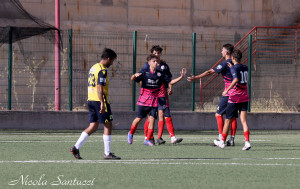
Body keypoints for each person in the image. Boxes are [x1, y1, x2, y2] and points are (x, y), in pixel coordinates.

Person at [70, 48, 121, 160]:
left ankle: (76, 147)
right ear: (108, 59)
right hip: (99, 100)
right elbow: (99, 86)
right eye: (112, 61)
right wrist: (102, 103)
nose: (112, 63)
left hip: (91, 100)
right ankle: (107, 153)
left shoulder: (93, 67)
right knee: (108, 125)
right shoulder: (102, 70)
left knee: (93, 126)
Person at [187, 44, 238, 146]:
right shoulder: (236, 63)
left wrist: (196, 77)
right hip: (237, 92)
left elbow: (209, 72)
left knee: (218, 114)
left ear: (226, 52)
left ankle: (221, 138)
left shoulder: (225, 63)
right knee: (232, 117)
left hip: (228, 93)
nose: (221, 52)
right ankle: (231, 139)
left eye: (222, 50)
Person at [128, 54, 177, 146]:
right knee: (139, 118)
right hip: (144, 101)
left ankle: (148, 139)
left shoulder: (160, 73)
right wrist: (134, 75)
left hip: (154, 101)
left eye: (157, 61)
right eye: (154, 61)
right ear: (149, 62)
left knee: (152, 120)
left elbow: (170, 82)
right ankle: (130, 133)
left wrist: (181, 77)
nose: (156, 63)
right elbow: (133, 79)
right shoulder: (144, 72)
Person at [141, 45, 185, 145]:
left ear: (160, 54)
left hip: (162, 94)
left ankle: (161, 137)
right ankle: (148, 137)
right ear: (152, 54)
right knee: (150, 117)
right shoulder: (147, 65)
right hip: (150, 96)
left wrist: (170, 87)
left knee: (163, 114)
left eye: (158, 53)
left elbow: (168, 80)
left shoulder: (164, 66)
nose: (156, 55)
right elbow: (142, 77)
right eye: (155, 53)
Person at [214, 49, 251, 150]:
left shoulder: (234, 68)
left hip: (234, 97)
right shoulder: (245, 67)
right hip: (244, 97)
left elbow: (235, 79)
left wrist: (227, 90)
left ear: (233, 58)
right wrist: (232, 68)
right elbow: (239, 73)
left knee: (227, 120)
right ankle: (247, 142)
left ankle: (222, 142)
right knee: (244, 121)